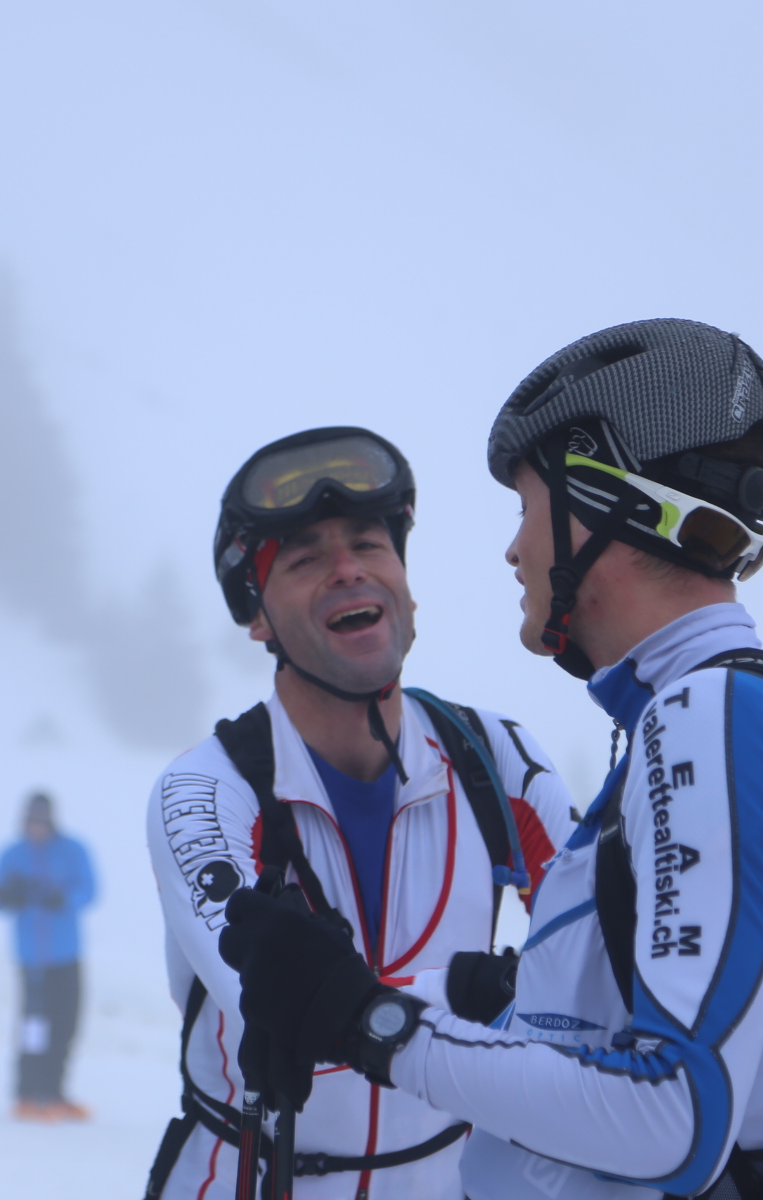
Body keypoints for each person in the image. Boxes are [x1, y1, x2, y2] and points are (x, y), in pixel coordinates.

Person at [216, 320, 763, 1200]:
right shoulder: (720, 715)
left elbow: (674, 1114)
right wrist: (429, 991)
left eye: (526, 507)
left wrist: (368, 1023)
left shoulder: (709, 718)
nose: (514, 550)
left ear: (599, 503)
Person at [143, 425, 577, 1198]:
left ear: (406, 585)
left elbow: (600, 968)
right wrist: (482, 991)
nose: (347, 569)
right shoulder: (206, 788)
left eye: (371, 545)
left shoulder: (498, 760)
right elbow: (279, 999)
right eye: (305, 559)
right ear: (258, 619)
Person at [0, 791, 96, 1122]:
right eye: (31, 821)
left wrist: (62, 898)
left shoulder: (72, 851)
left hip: (66, 954)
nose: (36, 827)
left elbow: (89, 890)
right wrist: (7, 895)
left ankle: (55, 1093)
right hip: (31, 958)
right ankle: (27, 1093)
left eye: (42, 821)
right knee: (34, 1026)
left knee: (65, 1024)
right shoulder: (12, 855)